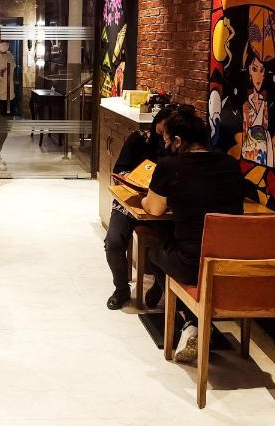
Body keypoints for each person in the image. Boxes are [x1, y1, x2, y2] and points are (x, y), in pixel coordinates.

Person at [141, 109, 244, 363]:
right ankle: (198, 324)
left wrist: (144, 199)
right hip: (231, 263)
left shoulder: (170, 166)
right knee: (174, 249)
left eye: (167, 141)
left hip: (192, 265)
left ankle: (190, 321)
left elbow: (154, 209)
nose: (166, 147)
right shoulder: (231, 165)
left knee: (155, 254)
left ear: (177, 141)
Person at [104, 104, 180, 310]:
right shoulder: (138, 139)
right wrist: (133, 180)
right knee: (113, 242)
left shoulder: (179, 151)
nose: (162, 138)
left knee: (167, 244)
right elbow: (119, 170)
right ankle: (121, 289)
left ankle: (159, 284)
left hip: (162, 210)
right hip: (129, 202)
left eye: (166, 135)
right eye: (158, 131)